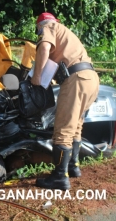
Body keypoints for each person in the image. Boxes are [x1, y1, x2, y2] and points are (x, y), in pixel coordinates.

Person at [31, 12, 100, 190]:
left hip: (76, 80)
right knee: (75, 126)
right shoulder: (66, 33)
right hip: (91, 78)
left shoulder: (48, 27)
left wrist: (36, 78)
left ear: (39, 25)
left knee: (63, 128)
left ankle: (60, 177)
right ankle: (72, 166)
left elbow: (44, 48)